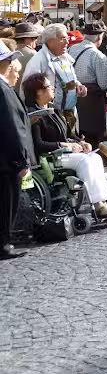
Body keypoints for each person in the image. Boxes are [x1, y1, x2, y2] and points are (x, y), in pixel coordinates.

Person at [22, 73, 107, 220]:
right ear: (39, 92)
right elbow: (39, 144)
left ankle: (104, 201)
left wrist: (80, 142)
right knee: (84, 161)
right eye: (49, 86)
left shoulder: (54, 109)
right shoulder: (34, 115)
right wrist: (63, 144)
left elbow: (68, 133)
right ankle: (98, 205)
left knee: (95, 158)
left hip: (65, 152)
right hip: (51, 157)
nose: (53, 89)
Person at [19, 23, 87, 132]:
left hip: (69, 115)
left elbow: (70, 79)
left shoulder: (64, 57)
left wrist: (79, 86)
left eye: (67, 38)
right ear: (50, 40)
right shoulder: (38, 61)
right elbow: (27, 91)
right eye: (63, 38)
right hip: (51, 119)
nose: (67, 42)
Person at [0, 41, 33, 260]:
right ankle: (3, 244)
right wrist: (21, 161)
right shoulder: (2, 89)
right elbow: (12, 127)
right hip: (6, 162)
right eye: (10, 60)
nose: (13, 64)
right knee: (6, 203)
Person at [69, 23, 107, 166]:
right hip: (92, 100)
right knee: (93, 135)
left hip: (72, 95)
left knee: (76, 132)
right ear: (99, 37)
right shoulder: (97, 55)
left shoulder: (71, 49)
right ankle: (91, 164)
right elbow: (104, 84)